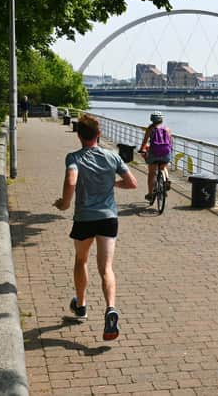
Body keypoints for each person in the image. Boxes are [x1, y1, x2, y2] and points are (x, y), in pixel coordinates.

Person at [53, 114, 137, 340]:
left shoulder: (74, 157)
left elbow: (71, 180)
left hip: (84, 218)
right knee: (106, 268)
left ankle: (81, 306)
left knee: (81, 261)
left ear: (79, 135)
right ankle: (110, 308)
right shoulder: (112, 157)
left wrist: (64, 203)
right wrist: (112, 183)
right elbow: (132, 183)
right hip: (108, 218)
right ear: (98, 135)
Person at [139, 111, 172, 202]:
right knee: (163, 167)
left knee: (152, 173)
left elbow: (145, 142)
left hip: (154, 154)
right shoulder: (167, 129)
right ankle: (166, 181)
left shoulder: (150, 129)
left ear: (152, 119)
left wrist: (142, 150)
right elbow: (170, 144)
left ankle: (150, 194)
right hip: (165, 153)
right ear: (161, 119)